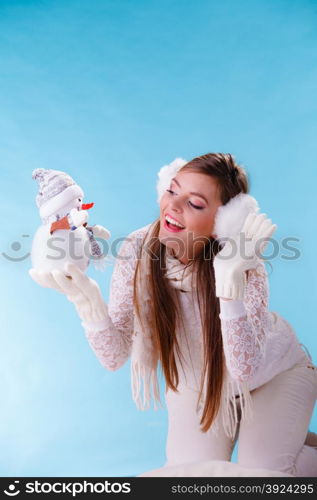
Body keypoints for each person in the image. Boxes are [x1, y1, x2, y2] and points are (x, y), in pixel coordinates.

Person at [29, 153, 317, 477]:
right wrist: (89, 305)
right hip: (200, 382)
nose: (173, 207)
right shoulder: (137, 249)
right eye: (171, 190)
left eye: (194, 203)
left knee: (263, 474)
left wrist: (228, 282)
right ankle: (282, 437)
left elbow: (244, 369)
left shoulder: (244, 261)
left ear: (223, 223)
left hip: (272, 376)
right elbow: (114, 356)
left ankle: (286, 443)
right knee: (185, 476)